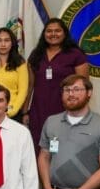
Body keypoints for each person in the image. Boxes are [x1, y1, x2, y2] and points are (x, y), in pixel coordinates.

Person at [27, 17, 89, 148]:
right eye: (49, 31)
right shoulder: (36, 54)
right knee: (38, 145)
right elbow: (30, 85)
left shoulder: (75, 54)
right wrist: (25, 112)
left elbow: (83, 85)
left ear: (64, 33)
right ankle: (41, 169)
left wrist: (80, 111)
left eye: (57, 31)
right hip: (38, 110)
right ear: (44, 34)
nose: (53, 34)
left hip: (65, 108)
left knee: (62, 147)